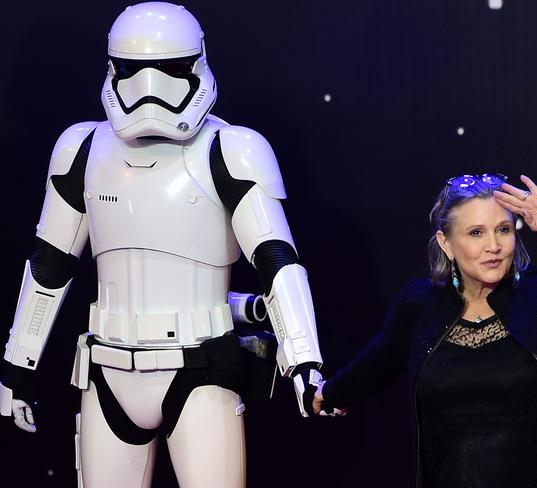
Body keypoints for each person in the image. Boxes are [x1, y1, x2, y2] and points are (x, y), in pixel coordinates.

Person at [0, 3, 324, 487]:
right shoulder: (83, 148)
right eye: (134, 71)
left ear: (196, 63)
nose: (149, 91)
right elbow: (49, 264)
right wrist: (17, 364)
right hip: (106, 367)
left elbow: (277, 260)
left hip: (199, 372)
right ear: (113, 68)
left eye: (169, 70)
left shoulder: (231, 148)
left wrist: (305, 360)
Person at [313, 173, 537, 488]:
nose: (494, 245)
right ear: (446, 243)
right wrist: (332, 392)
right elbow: (381, 358)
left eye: (503, 230)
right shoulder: (419, 303)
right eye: (476, 233)